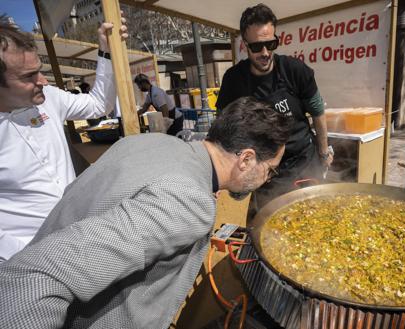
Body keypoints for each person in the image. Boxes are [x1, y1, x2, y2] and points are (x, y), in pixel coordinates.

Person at [0, 96, 291, 329]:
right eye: (270, 169)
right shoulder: (188, 201)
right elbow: (37, 274)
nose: (268, 179)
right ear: (247, 159)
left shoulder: (150, 141)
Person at [0, 15, 128, 261]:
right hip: (27, 261)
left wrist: (106, 51)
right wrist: (24, 257)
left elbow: (98, 104)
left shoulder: (49, 97)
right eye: (28, 76)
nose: (42, 81)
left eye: (40, 70)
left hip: (78, 238)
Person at [216, 3, 334, 212]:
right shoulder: (234, 80)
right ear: (244, 44)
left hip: (304, 161)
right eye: (256, 47)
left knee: (314, 216)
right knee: (272, 222)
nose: (265, 52)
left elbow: (317, 110)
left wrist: (324, 152)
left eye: (271, 44)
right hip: (264, 169)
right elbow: (223, 126)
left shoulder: (295, 70)